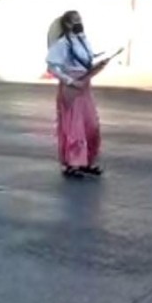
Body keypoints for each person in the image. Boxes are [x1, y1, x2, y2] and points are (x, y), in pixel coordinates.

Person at [46, 10, 106, 179]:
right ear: (66, 24)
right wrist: (70, 82)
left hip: (85, 86)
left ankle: (86, 161)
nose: (79, 23)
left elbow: (87, 61)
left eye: (80, 19)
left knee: (91, 124)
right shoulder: (63, 44)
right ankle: (73, 163)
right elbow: (52, 67)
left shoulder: (83, 41)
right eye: (75, 20)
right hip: (72, 87)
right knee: (74, 127)